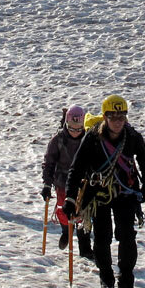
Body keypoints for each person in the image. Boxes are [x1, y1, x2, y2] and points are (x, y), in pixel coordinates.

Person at [64, 94, 145, 288]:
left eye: (122, 116)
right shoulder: (93, 137)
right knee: (102, 238)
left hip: (125, 194)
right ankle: (106, 280)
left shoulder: (131, 136)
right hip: (98, 195)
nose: (118, 121)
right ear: (105, 117)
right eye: (113, 117)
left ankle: (126, 284)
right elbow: (77, 168)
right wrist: (70, 197)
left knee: (127, 237)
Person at [42, 105, 92, 258]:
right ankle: (66, 231)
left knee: (84, 214)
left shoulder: (88, 139)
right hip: (62, 182)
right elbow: (49, 162)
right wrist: (47, 184)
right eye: (72, 128)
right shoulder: (58, 140)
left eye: (79, 129)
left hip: (83, 183)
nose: (75, 132)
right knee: (65, 211)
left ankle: (85, 248)